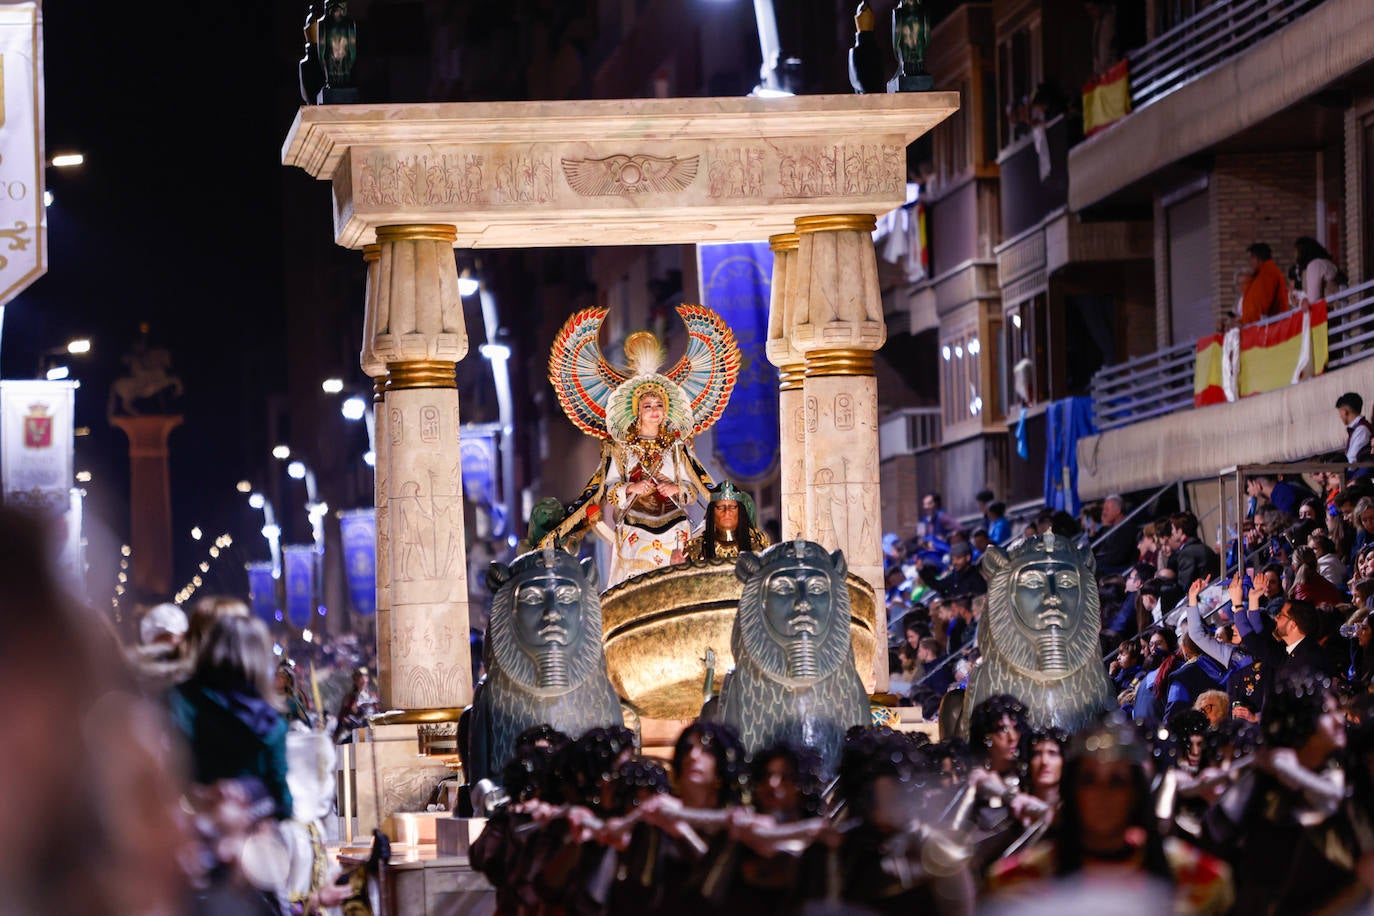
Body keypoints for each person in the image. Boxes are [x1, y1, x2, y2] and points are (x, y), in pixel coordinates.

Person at [546, 318, 735, 588]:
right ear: (638, 411)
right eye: (648, 405)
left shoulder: (677, 447)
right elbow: (608, 490)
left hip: (676, 531)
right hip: (635, 531)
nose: (655, 410)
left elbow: (696, 490)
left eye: (659, 404)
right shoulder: (620, 448)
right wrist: (631, 487)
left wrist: (677, 489)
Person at [168, 615, 293, 821]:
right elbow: (282, 802)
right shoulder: (271, 724)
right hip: (249, 841)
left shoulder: (179, 701)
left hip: (183, 834)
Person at [680, 480, 769, 561]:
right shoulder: (695, 549)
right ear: (712, 512)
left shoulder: (759, 545)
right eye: (720, 507)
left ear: (740, 511)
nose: (727, 511)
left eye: (732, 507)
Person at [1239, 242, 1289, 325]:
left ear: (1257, 258)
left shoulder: (1268, 273)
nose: (1249, 262)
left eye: (1251, 258)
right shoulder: (1260, 274)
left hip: (1269, 328)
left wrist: (1246, 322)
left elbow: (1260, 306)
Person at [918, 541, 987, 598]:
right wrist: (922, 571)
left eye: (958, 558)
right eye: (953, 559)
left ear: (967, 557)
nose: (954, 562)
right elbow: (939, 586)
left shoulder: (976, 578)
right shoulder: (955, 575)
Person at [1294, 236, 1344, 305]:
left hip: (1330, 312)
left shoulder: (1315, 265)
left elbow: (1313, 299)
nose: (1295, 256)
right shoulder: (1324, 262)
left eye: (1297, 252)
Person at [1092, 494, 1136, 573]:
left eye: (1107, 509)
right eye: (1103, 509)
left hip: (1117, 569)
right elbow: (1094, 549)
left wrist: (1095, 564)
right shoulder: (1107, 528)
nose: (1103, 513)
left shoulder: (1127, 529)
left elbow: (1118, 557)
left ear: (1118, 510)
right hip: (1105, 566)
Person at [1337, 391, 1372, 471]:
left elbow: (1351, 461)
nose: (1340, 416)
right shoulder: (1357, 429)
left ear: (1344, 411)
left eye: (1340, 413)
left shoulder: (1362, 430)